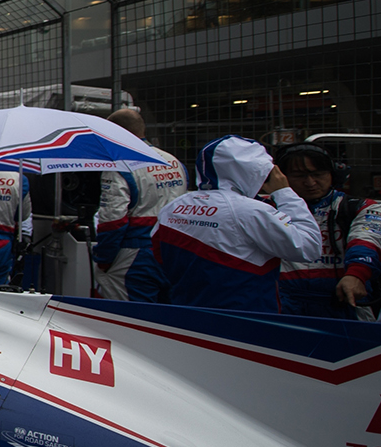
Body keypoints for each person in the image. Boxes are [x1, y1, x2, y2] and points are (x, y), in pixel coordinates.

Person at [151, 135, 321, 313]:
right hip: (247, 317)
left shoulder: (173, 207)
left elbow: (158, 255)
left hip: (187, 312)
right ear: (255, 171)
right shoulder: (251, 211)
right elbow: (309, 247)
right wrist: (284, 192)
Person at [274, 143, 381, 320]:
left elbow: (367, 241)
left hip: (344, 301)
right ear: (282, 177)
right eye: (299, 176)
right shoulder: (264, 209)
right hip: (282, 303)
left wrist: (357, 274)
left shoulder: (363, 208)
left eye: (318, 174)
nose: (310, 182)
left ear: (334, 174)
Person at [91, 108, 187, 303]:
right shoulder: (173, 161)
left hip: (134, 255)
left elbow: (112, 221)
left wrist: (104, 260)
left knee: (127, 321)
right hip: (172, 251)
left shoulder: (120, 165)